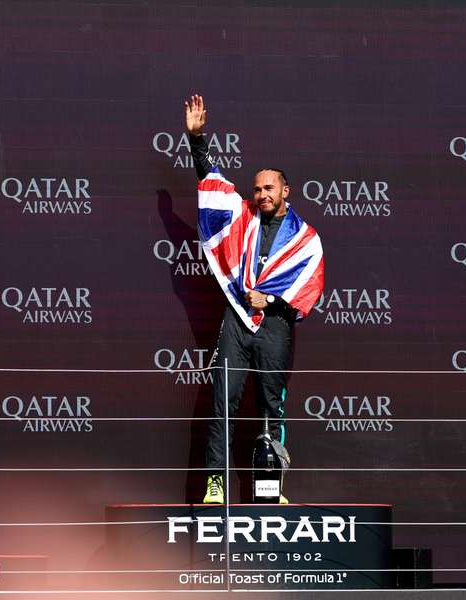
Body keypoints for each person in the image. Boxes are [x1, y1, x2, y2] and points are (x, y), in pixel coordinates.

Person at [184, 95, 325, 504]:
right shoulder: (243, 215)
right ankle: (216, 484)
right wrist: (197, 141)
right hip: (237, 320)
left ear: (286, 190)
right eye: (257, 188)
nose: (262, 194)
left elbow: (308, 288)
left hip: (276, 325)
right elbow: (212, 184)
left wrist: (273, 303)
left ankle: (269, 488)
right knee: (222, 401)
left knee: (270, 405)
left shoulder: (306, 238)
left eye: (269, 188)